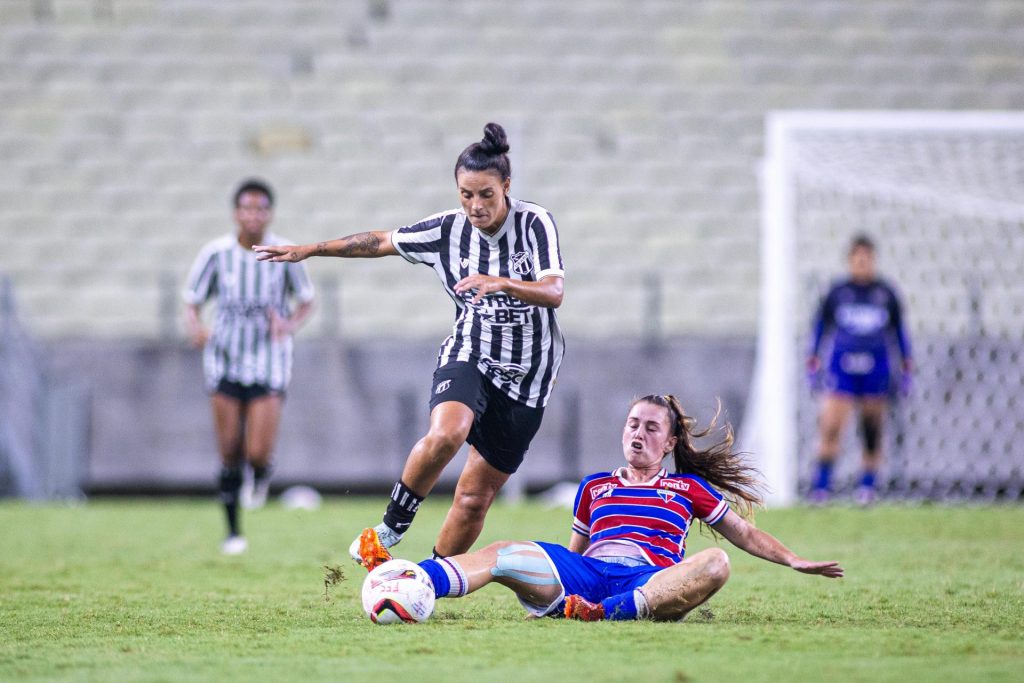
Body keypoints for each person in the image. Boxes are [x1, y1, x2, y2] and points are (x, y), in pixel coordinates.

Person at [254, 123, 565, 561]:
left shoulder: (534, 223)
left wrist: (501, 284)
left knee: (474, 498)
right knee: (448, 433)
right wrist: (310, 249)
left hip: (529, 376)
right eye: (466, 194)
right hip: (471, 352)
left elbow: (554, 292)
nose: (475, 206)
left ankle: (433, 579)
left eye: (486, 195)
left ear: (506, 187)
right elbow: (379, 240)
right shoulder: (446, 231)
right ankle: (389, 529)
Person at [357, 394, 843, 621]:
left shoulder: (689, 489)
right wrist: (549, 589)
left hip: (647, 580)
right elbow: (574, 552)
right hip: (587, 573)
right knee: (506, 550)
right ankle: (411, 579)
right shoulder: (594, 487)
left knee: (716, 562)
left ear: (670, 441)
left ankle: (606, 613)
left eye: (652, 428)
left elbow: (744, 534)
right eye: (633, 423)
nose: (638, 433)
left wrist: (794, 559)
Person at [183, 178, 315, 554]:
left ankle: (260, 472)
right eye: (247, 208)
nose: (254, 215)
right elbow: (192, 300)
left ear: (269, 213)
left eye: (261, 209)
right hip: (224, 358)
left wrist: (288, 323)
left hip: (269, 359)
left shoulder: (283, 252)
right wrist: (197, 329)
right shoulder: (216, 255)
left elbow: (306, 299)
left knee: (256, 450)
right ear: (236, 213)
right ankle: (232, 532)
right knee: (228, 450)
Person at [806, 234, 912, 506]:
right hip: (842, 369)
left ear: (873, 261)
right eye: (857, 259)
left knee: (871, 429)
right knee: (831, 426)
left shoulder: (885, 293)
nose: (862, 264)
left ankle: (866, 488)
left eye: (867, 259)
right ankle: (821, 488)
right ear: (850, 261)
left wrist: (906, 365)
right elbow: (821, 328)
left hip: (876, 369)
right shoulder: (837, 293)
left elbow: (899, 332)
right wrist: (813, 359)